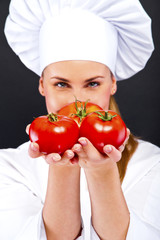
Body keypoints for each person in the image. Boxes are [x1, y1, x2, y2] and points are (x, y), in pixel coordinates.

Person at [0, 0, 160, 239]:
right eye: (61, 84)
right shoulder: (10, 167)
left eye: (93, 84)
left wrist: (103, 172)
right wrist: (62, 167)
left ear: (112, 83)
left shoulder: (152, 165)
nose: (79, 102)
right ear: (43, 85)